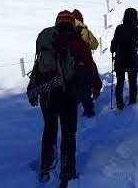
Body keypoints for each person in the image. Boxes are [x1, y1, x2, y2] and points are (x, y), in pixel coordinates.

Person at [27, 10, 102, 184]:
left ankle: (46, 166)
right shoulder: (77, 41)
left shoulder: (49, 39)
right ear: (72, 23)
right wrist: (96, 86)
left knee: (49, 129)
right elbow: (90, 65)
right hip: (68, 93)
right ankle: (67, 172)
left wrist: (33, 89)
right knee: (68, 134)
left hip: (47, 94)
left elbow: (38, 65)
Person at [110, 8, 138, 110]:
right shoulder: (136, 30)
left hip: (120, 58)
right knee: (132, 81)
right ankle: (132, 99)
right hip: (132, 58)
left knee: (120, 81)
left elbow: (114, 43)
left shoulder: (119, 28)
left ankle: (119, 100)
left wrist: (113, 49)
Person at [72, 9, 99, 117]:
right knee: (85, 88)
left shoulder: (64, 30)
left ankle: (75, 103)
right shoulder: (84, 31)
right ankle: (89, 110)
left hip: (68, 65)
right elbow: (95, 45)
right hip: (84, 64)